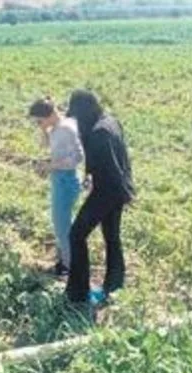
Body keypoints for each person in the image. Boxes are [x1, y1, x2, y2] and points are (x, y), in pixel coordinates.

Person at [64, 89, 135, 306]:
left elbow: (110, 170)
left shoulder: (98, 133)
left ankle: (78, 293)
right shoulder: (109, 121)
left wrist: (103, 191)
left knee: (76, 235)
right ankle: (114, 286)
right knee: (112, 236)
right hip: (118, 188)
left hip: (108, 191)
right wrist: (90, 175)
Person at [28, 96, 84, 276]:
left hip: (66, 180)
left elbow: (77, 157)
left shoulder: (66, 128)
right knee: (62, 223)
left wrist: (49, 166)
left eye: (39, 120)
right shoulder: (56, 128)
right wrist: (44, 130)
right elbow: (47, 146)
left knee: (62, 226)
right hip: (60, 178)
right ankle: (66, 260)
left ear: (50, 114)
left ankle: (70, 266)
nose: (38, 124)